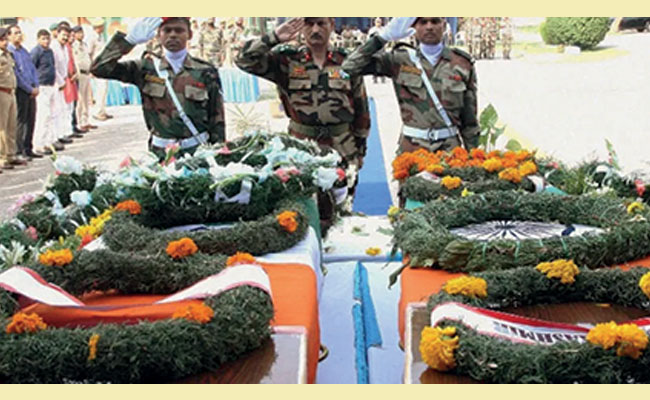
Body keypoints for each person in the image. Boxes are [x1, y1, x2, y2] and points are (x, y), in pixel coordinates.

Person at [236, 17, 370, 231]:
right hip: (301, 148)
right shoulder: (287, 60)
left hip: (342, 146)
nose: (315, 29)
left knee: (342, 210)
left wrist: (360, 148)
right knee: (303, 208)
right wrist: (274, 38)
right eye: (309, 23)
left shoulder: (347, 60)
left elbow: (361, 106)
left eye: (321, 23)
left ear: (331, 26)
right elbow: (244, 60)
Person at [90, 17, 225, 160]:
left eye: (179, 30)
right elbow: (99, 69)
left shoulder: (205, 71)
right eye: (167, 30)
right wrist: (128, 42)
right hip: (161, 154)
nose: (173, 35)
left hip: (197, 151)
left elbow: (216, 116)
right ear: (158, 35)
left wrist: (219, 154)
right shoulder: (146, 68)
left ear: (190, 35)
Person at [342, 17, 479, 154]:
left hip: (449, 151)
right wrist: (381, 38)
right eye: (423, 22)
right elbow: (349, 67)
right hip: (412, 150)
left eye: (435, 21)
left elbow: (470, 120)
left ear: (444, 25)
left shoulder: (462, 64)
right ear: (413, 27)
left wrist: (474, 156)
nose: (429, 27)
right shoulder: (400, 59)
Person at [7, 24, 41, 161]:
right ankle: (19, 150)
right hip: (21, 90)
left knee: (31, 120)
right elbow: (17, 75)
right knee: (20, 121)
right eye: (15, 33)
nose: (19, 35)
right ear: (9, 36)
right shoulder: (10, 52)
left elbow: (32, 69)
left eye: (20, 32)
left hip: (32, 89)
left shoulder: (24, 51)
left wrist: (36, 85)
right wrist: (29, 89)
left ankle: (28, 148)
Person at [0, 26, 27, 172]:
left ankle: (11, 154)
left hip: (11, 92)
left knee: (11, 125)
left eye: (5, 39)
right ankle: (2, 157)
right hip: (1, 92)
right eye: (1, 39)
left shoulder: (8, 54)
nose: (4, 42)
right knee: (1, 127)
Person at [31, 29, 58, 155]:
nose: (46, 41)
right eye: (43, 39)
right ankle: (38, 145)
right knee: (43, 116)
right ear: (38, 39)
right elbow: (31, 69)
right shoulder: (36, 52)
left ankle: (48, 142)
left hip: (51, 85)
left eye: (48, 38)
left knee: (51, 115)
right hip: (41, 86)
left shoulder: (50, 51)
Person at [51, 22, 73, 148]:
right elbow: (53, 67)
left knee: (62, 109)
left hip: (63, 81)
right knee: (55, 112)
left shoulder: (64, 47)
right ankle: (54, 138)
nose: (65, 38)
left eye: (67, 36)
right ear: (57, 34)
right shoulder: (53, 47)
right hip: (55, 82)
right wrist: (60, 82)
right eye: (63, 35)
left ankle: (62, 134)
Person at [87, 17, 112, 121]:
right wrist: (91, 68)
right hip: (96, 66)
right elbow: (89, 53)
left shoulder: (100, 37)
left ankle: (102, 110)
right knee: (100, 89)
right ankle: (98, 112)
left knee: (104, 89)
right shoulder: (92, 37)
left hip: (103, 66)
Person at [72, 25, 95, 132]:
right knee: (80, 99)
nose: (81, 35)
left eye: (82, 32)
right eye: (78, 33)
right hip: (80, 74)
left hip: (87, 73)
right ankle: (79, 121)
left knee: (86, 99)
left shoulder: (84, 44)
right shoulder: (73, 46)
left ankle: (85, 120)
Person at [368, 18, 386, 84]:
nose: (378, 23)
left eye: (379, 22)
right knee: (375, 63)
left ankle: (383, 76)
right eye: (377, 22)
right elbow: (369, 39)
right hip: (374, 48)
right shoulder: (372, 30)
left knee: (383, 63)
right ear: (374, 22)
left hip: (382, 48)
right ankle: (375, 77)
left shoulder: (384, 29)